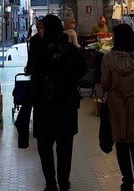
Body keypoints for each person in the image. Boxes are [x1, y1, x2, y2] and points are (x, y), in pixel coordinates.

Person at [30, 14, 86, 191]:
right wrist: (68, 81)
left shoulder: (39, 50)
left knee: (45, 146)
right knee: (65, 146)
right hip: (66, 105)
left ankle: (51, 183)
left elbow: (32, 72)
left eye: (43, 27)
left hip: (44, 105)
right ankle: (63, 182)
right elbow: (82, 71)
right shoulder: (71, 49)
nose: (41, 30)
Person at [101, 24, 134, 191]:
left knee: (121, 144)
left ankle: (127, 181)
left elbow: (106, 84)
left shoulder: (109, 58)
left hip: (117, 105)